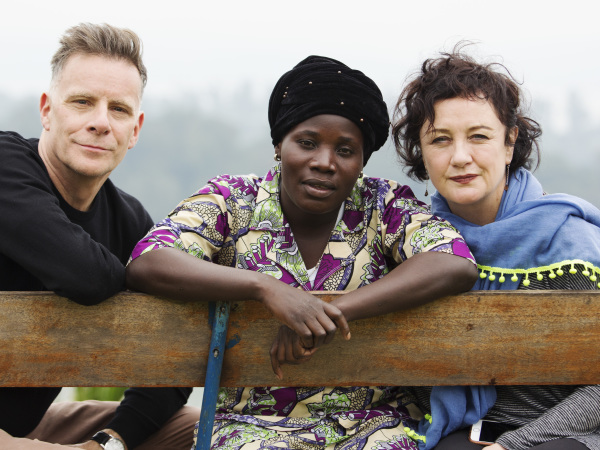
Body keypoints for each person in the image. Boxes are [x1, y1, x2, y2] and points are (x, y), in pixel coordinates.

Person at [126, 55, 478, 450]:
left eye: (345, 150)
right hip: (250, 425)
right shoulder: (232, 201)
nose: (324, 162)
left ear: (362, 162)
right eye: (307, 143)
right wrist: (266, 289)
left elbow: (454, 260)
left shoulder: (384, 205)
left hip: (375, 425)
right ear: (279, 145)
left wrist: (330, 312)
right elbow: (148, 260)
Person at [0, 23, 199, 450]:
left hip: (27, 427)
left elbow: (178, 354)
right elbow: (83, 274)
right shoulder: (5, 166)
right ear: (47, 110)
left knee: (203, 429)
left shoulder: (128, 219)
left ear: (136, 129)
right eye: (82, 102)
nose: (100, 123)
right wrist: (141, 274)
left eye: (119, 109)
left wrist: (111, 440)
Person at [392, 47, 600, 450]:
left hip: (567, 437)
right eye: (440, 140)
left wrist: (513, 445)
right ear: (421, 152)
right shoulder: (411, 243)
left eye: (479, 137)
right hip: (454, 435)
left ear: (509, 143)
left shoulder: (572, 245)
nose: (460, 157)